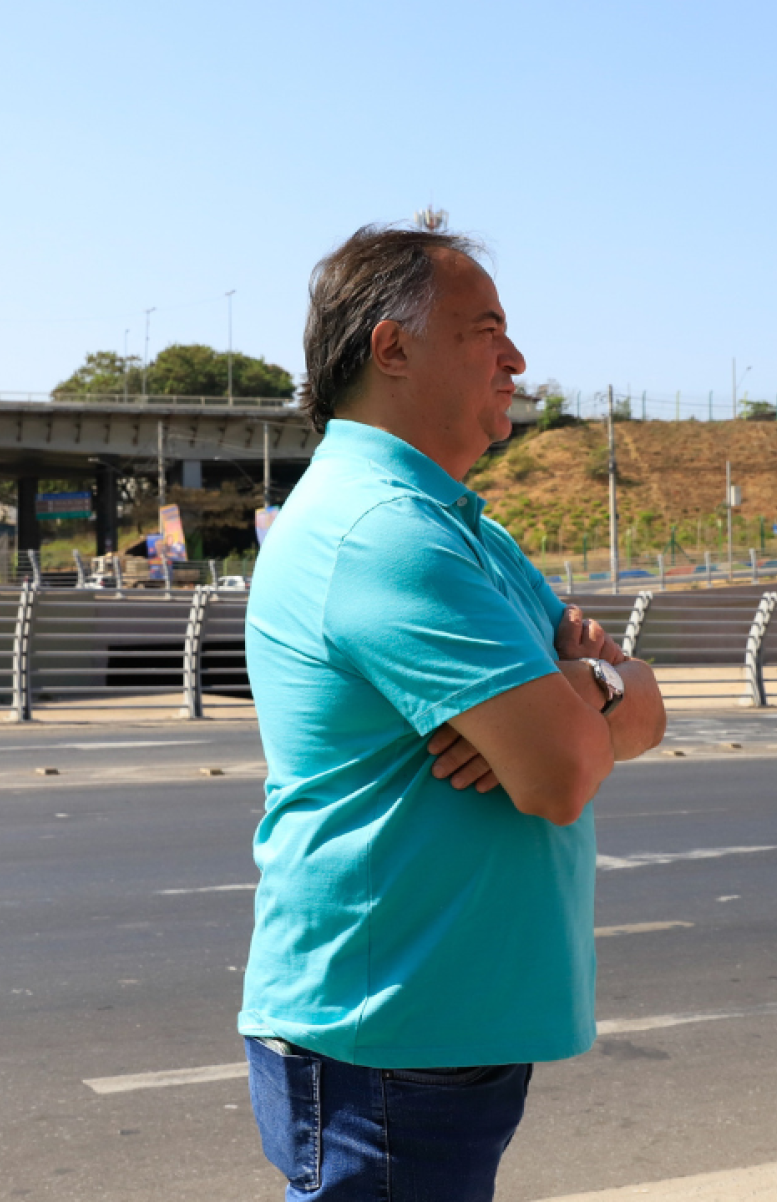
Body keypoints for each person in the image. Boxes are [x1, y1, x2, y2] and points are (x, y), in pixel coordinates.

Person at [239, 224, 667, 1201]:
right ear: (392, 348)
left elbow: (642, 709)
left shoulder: (461, 527)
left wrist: (587, 690)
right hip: (388, 1037)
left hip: (424, 1027)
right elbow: (560, 773)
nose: (517, 358)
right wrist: (571, 707)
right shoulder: (383, 531)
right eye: (486, 330)